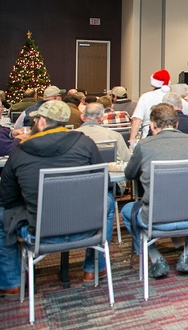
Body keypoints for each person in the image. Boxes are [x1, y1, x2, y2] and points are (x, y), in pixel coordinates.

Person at [0, 100, 112, 295]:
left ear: (42, 122)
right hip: (86, 229)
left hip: (39, 233)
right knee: (109, 202)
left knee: (2, 215)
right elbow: (104, 183)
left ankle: (12, 284)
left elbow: (7, 198)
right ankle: (93, 269)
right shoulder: (85, 143)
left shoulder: (19, 152)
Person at [122, 103, 188, 278]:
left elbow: (129, 174)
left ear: (152, 125)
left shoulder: (144, 145)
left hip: (155, 219)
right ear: (176, 124)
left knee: (126, 211)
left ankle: (154, 257)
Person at [130, 69, 188, 142]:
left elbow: (137, 120)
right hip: (174, 138)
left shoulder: (145, 97)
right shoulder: (175, 97)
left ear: (152, 83)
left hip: (149, 138)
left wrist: (132, 141)